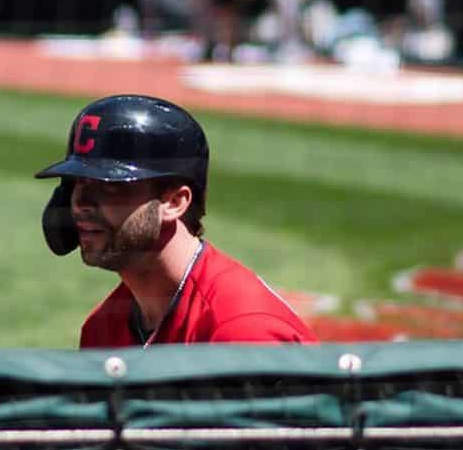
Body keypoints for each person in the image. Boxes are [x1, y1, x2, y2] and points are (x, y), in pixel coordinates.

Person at [35, 94, 317, 349]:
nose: (81, 203)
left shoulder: (240, 331)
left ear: (174, 202)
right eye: (77, 184)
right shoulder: (103, 329)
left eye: (110, 186)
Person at [380, 0, 455, 65]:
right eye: (417, 7)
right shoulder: (404, 29)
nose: (421, 13)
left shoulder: (442, 37)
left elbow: (431, 60)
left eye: (425, 8)